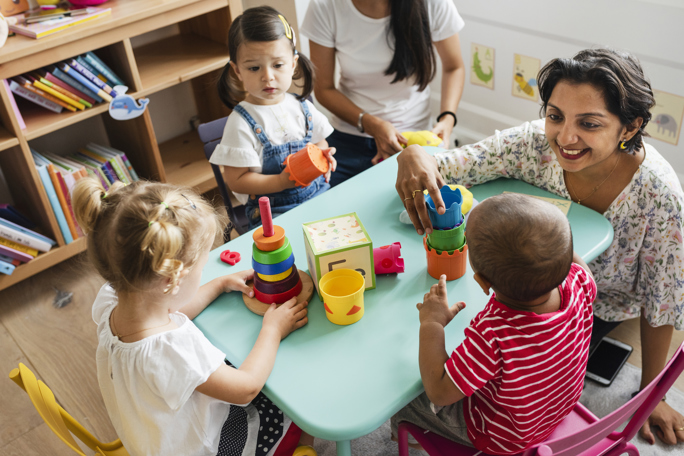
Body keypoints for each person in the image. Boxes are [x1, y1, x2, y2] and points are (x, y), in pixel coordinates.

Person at [395, 48, 684, 445]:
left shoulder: (660, 196)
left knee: (415, 370)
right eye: (555, 115)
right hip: (553, 298)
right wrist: (414, 153)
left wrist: (655, 394)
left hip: (594, 309)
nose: (565, 138)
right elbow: (453, 165)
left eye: (589, 123)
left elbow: (662, 301)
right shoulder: (533, 144)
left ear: (629, 128)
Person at [72, 178, 311, 455]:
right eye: (201, 268)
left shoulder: (113, 301)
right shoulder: (172, 351)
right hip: (200, 447)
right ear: (172, 280)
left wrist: (219, 284)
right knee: (290, 405)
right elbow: (246, 388)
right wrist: (273, 329)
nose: (203, 273)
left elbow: (167, 311)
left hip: (152, 435)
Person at [391, 193, 597, 454]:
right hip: (554, 409)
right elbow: (583, 272)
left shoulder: (493, 333)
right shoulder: (579, 281)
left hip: (502, 437)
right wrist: (553, 248)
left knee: (405, 396)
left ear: (483, 282)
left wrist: (432, 323)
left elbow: (439, 391)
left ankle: (413, 438)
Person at [301, 0, 466, 187]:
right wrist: (373, 125)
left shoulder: (433, 4)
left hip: (414, 139)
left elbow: (454, 67)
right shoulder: (325, 6)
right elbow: (323, 89)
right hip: (348, 139)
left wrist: (448, 119)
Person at [211, 6, 336, 229]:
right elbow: (236, 180)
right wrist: (280, 182)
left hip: (319, 194)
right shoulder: (241, 123)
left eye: (277, 65)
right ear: (237, 71)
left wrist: (322, 156)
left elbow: (319, 141)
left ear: (293, 64)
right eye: (254, 68)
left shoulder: (301, 106)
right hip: (274, 212)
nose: (267, 77)